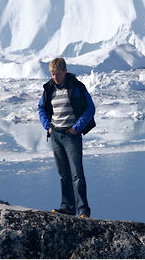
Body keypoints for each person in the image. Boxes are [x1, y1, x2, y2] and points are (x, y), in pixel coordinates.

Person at [38, 57, 96, 218]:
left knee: (77, 173)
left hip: (71, 136)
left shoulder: (76, 87)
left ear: (65, 71)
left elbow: (90, 108)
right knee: (63, 174)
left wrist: (77, 128)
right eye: (52, 74)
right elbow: (41, 108)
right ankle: (67, 207)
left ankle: (83, 209)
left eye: (57, 74)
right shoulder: (49, 89)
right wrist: (48, 127)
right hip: (56, 134)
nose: (55, 77)